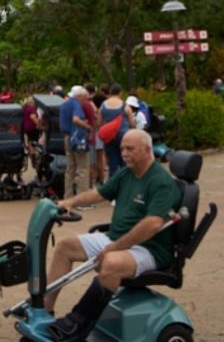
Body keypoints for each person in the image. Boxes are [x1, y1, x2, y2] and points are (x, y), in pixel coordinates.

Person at [45, 130, 180, 340]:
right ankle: (45, 312)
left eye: (130, 149)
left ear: (147, 149)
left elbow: (152, 225)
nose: (124, 153)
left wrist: (115, 247)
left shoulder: (160, 181)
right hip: (116, 240)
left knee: (111, 263)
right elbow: (98, 193)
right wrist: (70, 202)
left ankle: (76, 326)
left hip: (148, 249)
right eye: (122, 149)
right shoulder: (127, 173)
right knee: (65, 247)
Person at [98, 84, 134, 178]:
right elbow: (132, 123)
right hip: (123, 136)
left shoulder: (103, 105)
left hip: (109, 137)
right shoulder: (124, 105)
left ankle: (113, 186)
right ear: (120, 93)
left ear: (110, 92)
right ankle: (126, 184)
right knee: (125, 162)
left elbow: (99, 123)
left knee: (112, 164)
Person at [61, 87, 90, 199]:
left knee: (70, 168)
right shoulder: (76, 104)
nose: (85, 101)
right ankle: (82, 199)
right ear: (80, 96)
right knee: (83, 168)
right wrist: (87, 126)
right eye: (85, 99)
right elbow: (76, 119)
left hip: (67, 137)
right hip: (77, 138)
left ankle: (68, 196)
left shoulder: (64, 104)